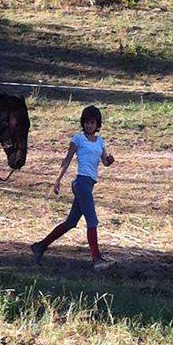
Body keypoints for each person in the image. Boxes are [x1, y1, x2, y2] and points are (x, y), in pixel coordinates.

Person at [31, 104, 115, 270]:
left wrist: (110, 161)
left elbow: (104, 162)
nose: (89, 125)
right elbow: (67, 159)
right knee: (92, 221)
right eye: (86, 122)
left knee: (70, 222)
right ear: (82, 123)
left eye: (92, 122)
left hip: (89, 184)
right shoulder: (78, 139)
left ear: (97, 124)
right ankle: (96, 259)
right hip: (81, 183)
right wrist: (57, 180)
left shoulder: (100, 141)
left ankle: (40, 246)